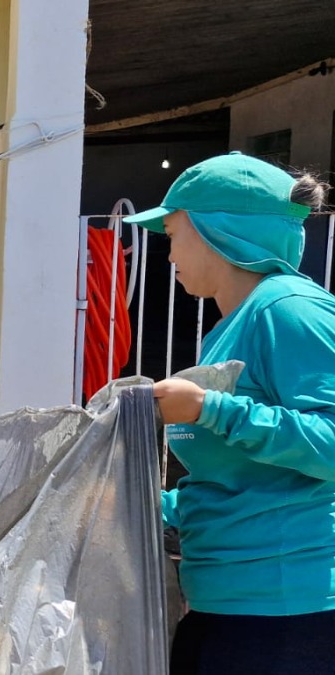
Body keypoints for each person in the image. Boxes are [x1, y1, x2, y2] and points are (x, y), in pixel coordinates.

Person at [123, 152, 334, 674]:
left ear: (221, 230)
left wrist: (212, 409)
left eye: (173, 234)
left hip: (283, 610)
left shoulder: (289, 310)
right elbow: (233, 479)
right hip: (228, 601)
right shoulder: (234, 327)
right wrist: (150, 506)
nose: (167, 254)